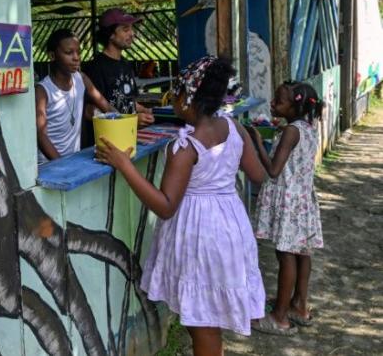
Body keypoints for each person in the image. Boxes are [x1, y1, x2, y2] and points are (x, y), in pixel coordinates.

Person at [96, 56, 267, 356]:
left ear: (189, 97)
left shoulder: (185, 146)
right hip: (231, 228)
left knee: (202, 324)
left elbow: (165, 207)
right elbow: (257, 175)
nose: (172, 100)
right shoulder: (233, 128)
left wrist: (126, 166)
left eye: (174, 94)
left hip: (200, 235)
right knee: (206, 319)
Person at [248, 81, 324, 335]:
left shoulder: (291, 131)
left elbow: (273, 169)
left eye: (279, 101)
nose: (272, 103)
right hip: (302, 199)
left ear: (295, 106)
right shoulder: (307, 127)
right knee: (302, 252)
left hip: (289, 201)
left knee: (285, 254)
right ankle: (298, 305)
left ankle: (279, 317)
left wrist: (257, 142)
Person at [36, 29, 114, 163]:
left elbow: (107, 107)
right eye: (69, 52)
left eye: (78, 52)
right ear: (52, 55)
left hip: (73, 160)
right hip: (49, 165)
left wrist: (127, 124)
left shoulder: (81, 79)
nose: (76, 57)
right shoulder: (42, 91)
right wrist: (62, 165)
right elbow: (41, 136)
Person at [82, 8, 154, 146]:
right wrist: (131, 120)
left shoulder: (126, 64)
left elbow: (126, 101)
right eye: (126, 29)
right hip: (106, 144)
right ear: (111, 34)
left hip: (126, 137)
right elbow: (89, 111)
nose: (132, 34)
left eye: (132, 29)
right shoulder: (95, 68)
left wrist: (145, 110)